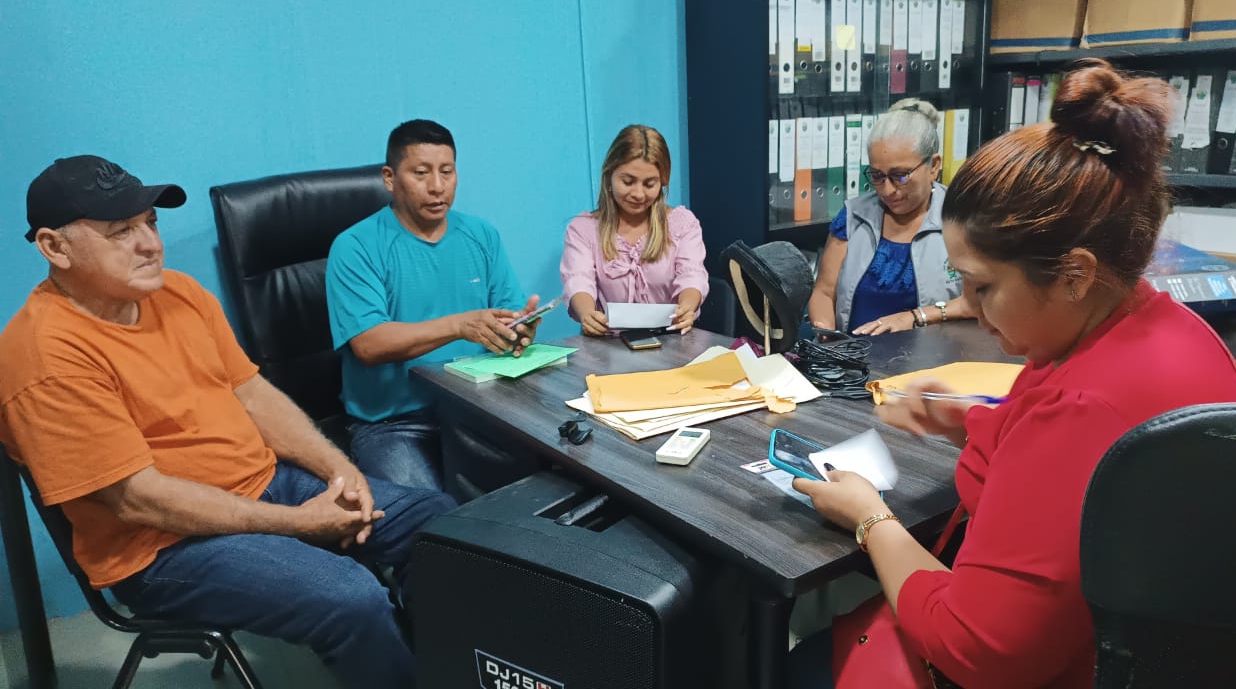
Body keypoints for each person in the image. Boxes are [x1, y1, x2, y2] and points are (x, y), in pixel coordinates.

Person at [789, 60, 1236, 688]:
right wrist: (969, 423)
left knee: (796, 665)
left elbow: (975, 650)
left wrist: (871, 518)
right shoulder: (1165, 326)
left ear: (1075, 275)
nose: (971, 310)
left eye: (982, 287)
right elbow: (1059, 465)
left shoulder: (1084, 406)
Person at [0, 155, 457, 689]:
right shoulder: (44, 357)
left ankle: (433, 667)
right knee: (351, 596)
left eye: (150, 222)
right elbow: (137, 499)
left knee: (441, 526)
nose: (150, 244)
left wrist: (339, 469)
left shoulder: (179, 293)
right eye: (121, 231)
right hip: (163, 547)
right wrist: (298, 524)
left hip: (266, 483)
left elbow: (253, 394)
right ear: (55, 247)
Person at [327, 119, 541, 494]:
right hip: (394, 424)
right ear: (390, 178)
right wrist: (459, 326)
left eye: (447, 171)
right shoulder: (355, 246)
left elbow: (507, 314)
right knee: (431, 516)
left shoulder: (481, 234)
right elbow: (369, 344)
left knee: (546, 486)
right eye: (421, 173)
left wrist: (518, 329)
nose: (437, 186)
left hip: (479, 406)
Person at [807, 98, 973, 336]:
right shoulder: (854, 216)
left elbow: (979, 302)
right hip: (857, 355)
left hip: (937, 355)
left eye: (900, 176)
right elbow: (824, 292)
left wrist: (916, 317)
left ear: (934, 166)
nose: (887, 190)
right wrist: (826, 333)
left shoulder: (964, 218)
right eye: (877, 176)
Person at [560, 124, 709, 336]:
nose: (638, 194)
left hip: (671, 339)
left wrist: (687, 308)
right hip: (607, 344)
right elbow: (578, 280)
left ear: (662, 182)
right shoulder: (583, 229)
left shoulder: (683, 224)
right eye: (628, 182)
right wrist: (587, 315)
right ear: (609, 175)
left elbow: (692, 275)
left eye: (649, 184)